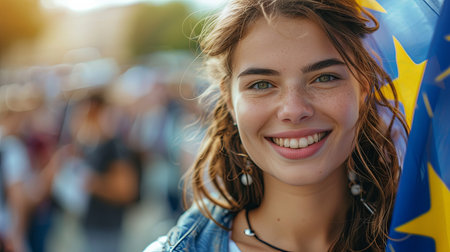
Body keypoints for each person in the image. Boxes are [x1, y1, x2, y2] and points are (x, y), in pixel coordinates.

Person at [145, 0, 408, 251]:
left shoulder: (433, 236)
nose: (293, 110)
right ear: (229, 101)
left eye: (324, 78)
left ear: (363, 88)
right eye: (261, 84)